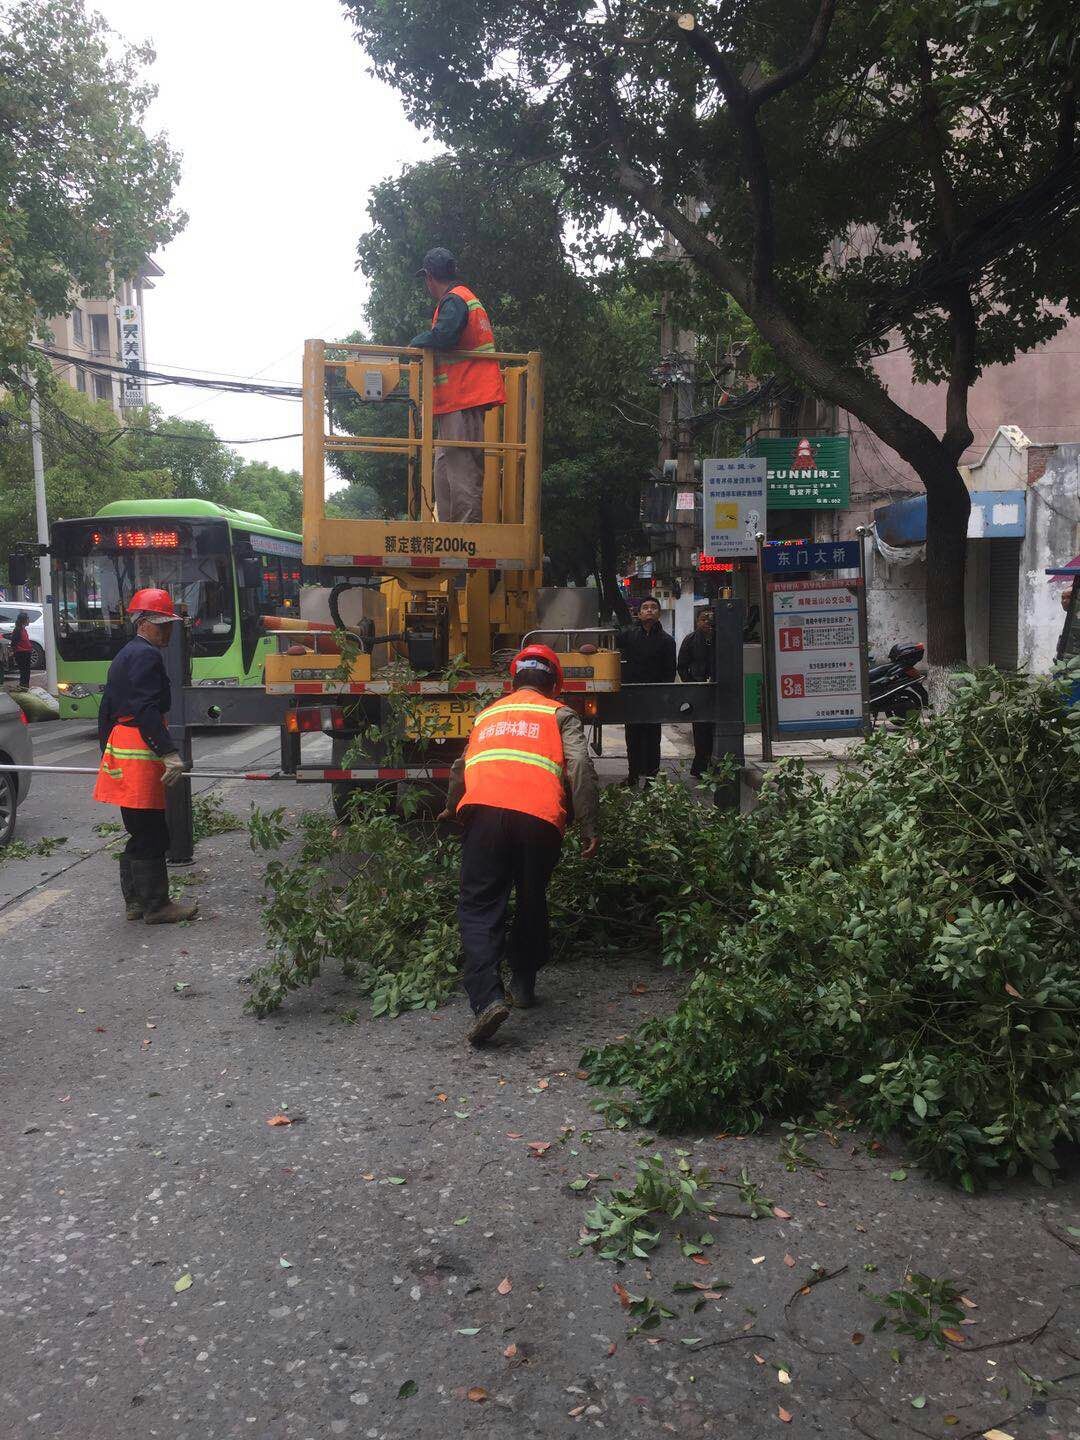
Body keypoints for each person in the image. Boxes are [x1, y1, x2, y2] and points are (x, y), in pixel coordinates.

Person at [439, 644, 599, 1045]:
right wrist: (589, 825)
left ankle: (488, 999)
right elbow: (580, 766)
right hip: (540, 821)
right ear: (554, 684)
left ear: (514, 680)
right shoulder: (560, 714)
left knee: (479, 907)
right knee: (532, 898)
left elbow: (461, 766)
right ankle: (524, 983)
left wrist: (449, 809)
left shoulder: (487, 715)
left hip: (485, 819)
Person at [93, 588, 196, 925]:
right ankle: (157, 906)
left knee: (138, 831)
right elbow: (146, 708)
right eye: (165, 625)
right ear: (148, 624)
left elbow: (107, 708)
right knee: (153, 833)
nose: (169, 632)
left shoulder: (125, 654)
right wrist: (168, 752)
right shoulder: (147, 656)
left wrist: (107, 752)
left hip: (123, 752)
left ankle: (136, 903)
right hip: (139, 754)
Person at [409, 247, 506, 524]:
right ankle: (448, 537)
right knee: (445, 472)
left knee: (462, 474)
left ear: (429, 277)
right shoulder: (463, 299)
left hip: (464, 400)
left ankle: (464, 543)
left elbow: (445, 336)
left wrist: (416, 343)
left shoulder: (455, 301)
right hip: (457, 404)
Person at [616, 597, 676, 786]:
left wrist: (663, 695)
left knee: (652, 738)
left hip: (654, 696)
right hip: (632, 694)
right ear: (639, 613)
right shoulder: (628, 635)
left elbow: (670, 671)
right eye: (645, 607)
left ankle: (651, 779)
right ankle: (633, 775)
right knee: (632, 737)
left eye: (653, 608)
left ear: (658, 613)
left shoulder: (667, 641)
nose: (649, 610)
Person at [677, 607, 715, 778]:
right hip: (698, 688)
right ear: (697, 622)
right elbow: (682, 666)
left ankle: (717, 764)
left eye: (710, 619)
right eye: (703, 619)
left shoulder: (721, 638)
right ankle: (700, 767)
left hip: (717, 688)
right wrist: (691, 684)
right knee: (700, 730)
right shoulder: (690, 640)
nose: (707, 622)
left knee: (717, 729)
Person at [10, 611, 33, 691]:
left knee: (26, 671)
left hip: (26, 653)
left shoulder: (23, 629)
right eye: (27, 619)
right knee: (24, 671)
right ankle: (23, 686)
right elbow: (14, 642)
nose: (29, 621)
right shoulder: (18, 630)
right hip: (21, 653)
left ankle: (25, 686)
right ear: (24, 620)